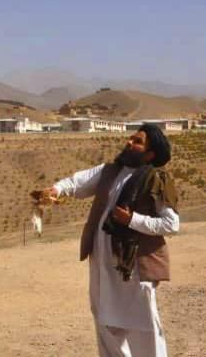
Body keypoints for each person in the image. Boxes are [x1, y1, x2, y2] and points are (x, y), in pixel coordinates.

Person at [32, 124, 179, 357]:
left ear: (150, 154)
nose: (129, 142)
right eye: (131, 138)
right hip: (102, 265)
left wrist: (132, 219)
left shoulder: (155, 179)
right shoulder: (110, 171)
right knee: (105, 324)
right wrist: (56, 190)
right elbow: (76, 182)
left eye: (138, 141)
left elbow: (171, 224)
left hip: (134, 269)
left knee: (143, 328)